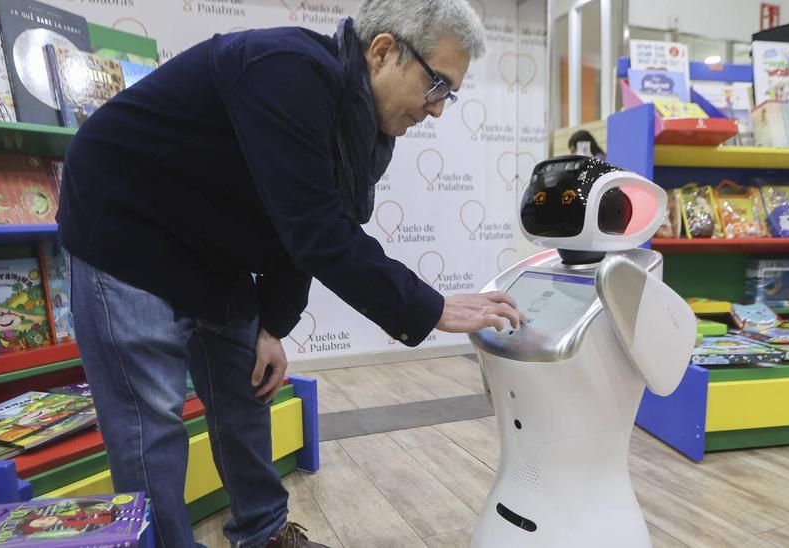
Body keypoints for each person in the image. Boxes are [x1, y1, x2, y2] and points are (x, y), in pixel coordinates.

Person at [55, 1, 523, 547]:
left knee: (245, 392)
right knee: (150, 420)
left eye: (450, 92)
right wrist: (432, 307)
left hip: (210, 242)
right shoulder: (287, 69)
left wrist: (272, 325)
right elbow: (316, 231)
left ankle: (265, 534)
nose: (439, 109)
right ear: (383, 51)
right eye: (437, 83)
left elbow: (298, 226)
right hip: (127, 226)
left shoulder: (368, 130)